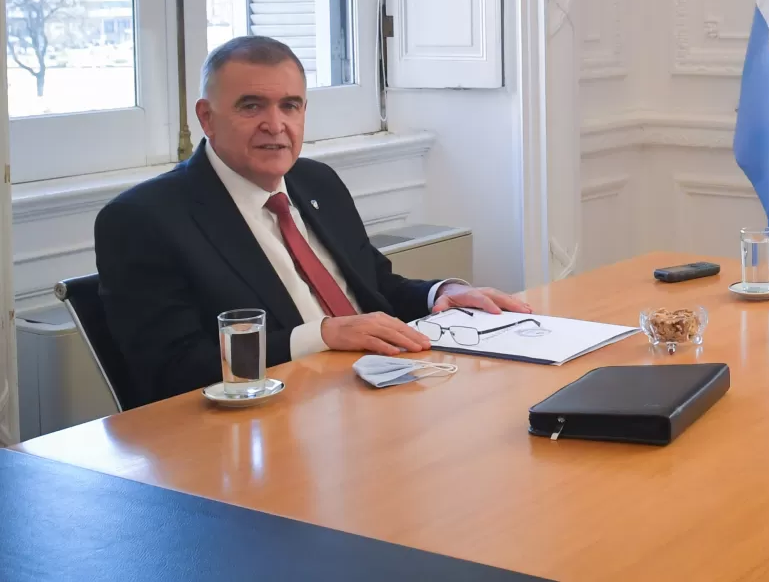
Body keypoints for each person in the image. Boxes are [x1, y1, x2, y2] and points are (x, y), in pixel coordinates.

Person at [95, 36, 531, 404]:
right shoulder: (143, 221)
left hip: (380, 394)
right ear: (206, 117)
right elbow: (173, 372)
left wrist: (442, 293)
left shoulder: (315, 181)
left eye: (290, 106)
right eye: (251, 107)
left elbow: (377, 290)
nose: (275, 124)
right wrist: (320, 335)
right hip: (274, 424)